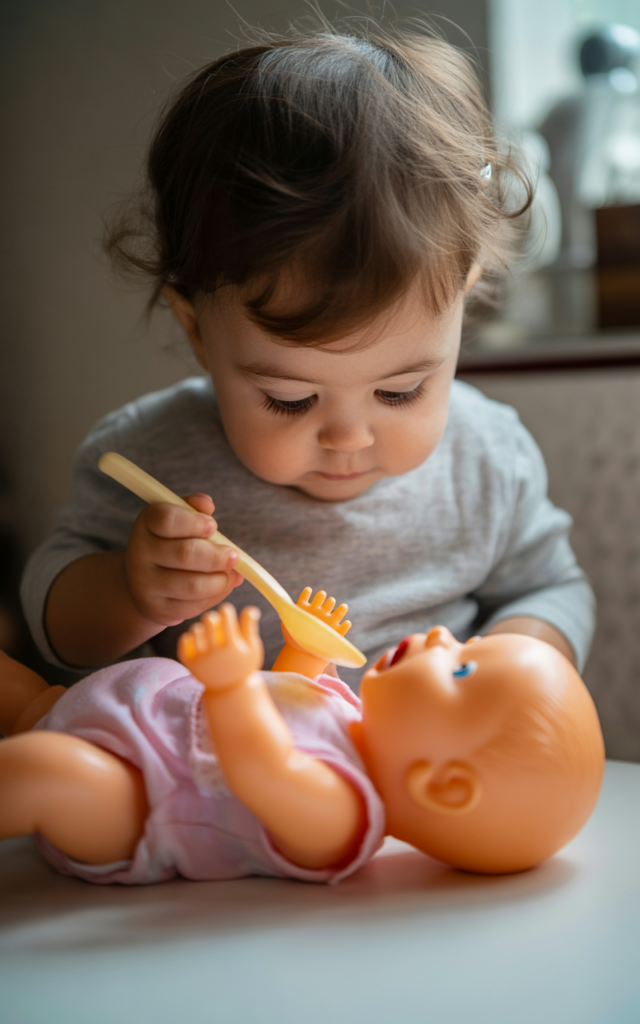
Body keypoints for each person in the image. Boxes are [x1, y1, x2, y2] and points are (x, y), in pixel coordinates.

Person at [20, 21, 594, 687]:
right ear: (199, 333)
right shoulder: (151, 458)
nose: (348, 438)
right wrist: (130, 592)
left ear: (461, 304)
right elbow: (52, 624)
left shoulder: (489, 456)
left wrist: (517, 655)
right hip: (216, 775)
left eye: (399, 391)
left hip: (422, 777)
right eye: (290, 399)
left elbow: (553, 589)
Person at [0, 595, 604, 883]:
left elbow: (263, 770)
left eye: (462, 670)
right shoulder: (350, 715)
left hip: (134, 800)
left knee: (42, 771)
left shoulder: (344, 821)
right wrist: (305, 653)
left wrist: (233, 686)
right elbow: (286, 697)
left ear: (441, 783)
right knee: (23, 698)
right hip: (114, 711)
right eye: (468, 643)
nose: (444, 635)